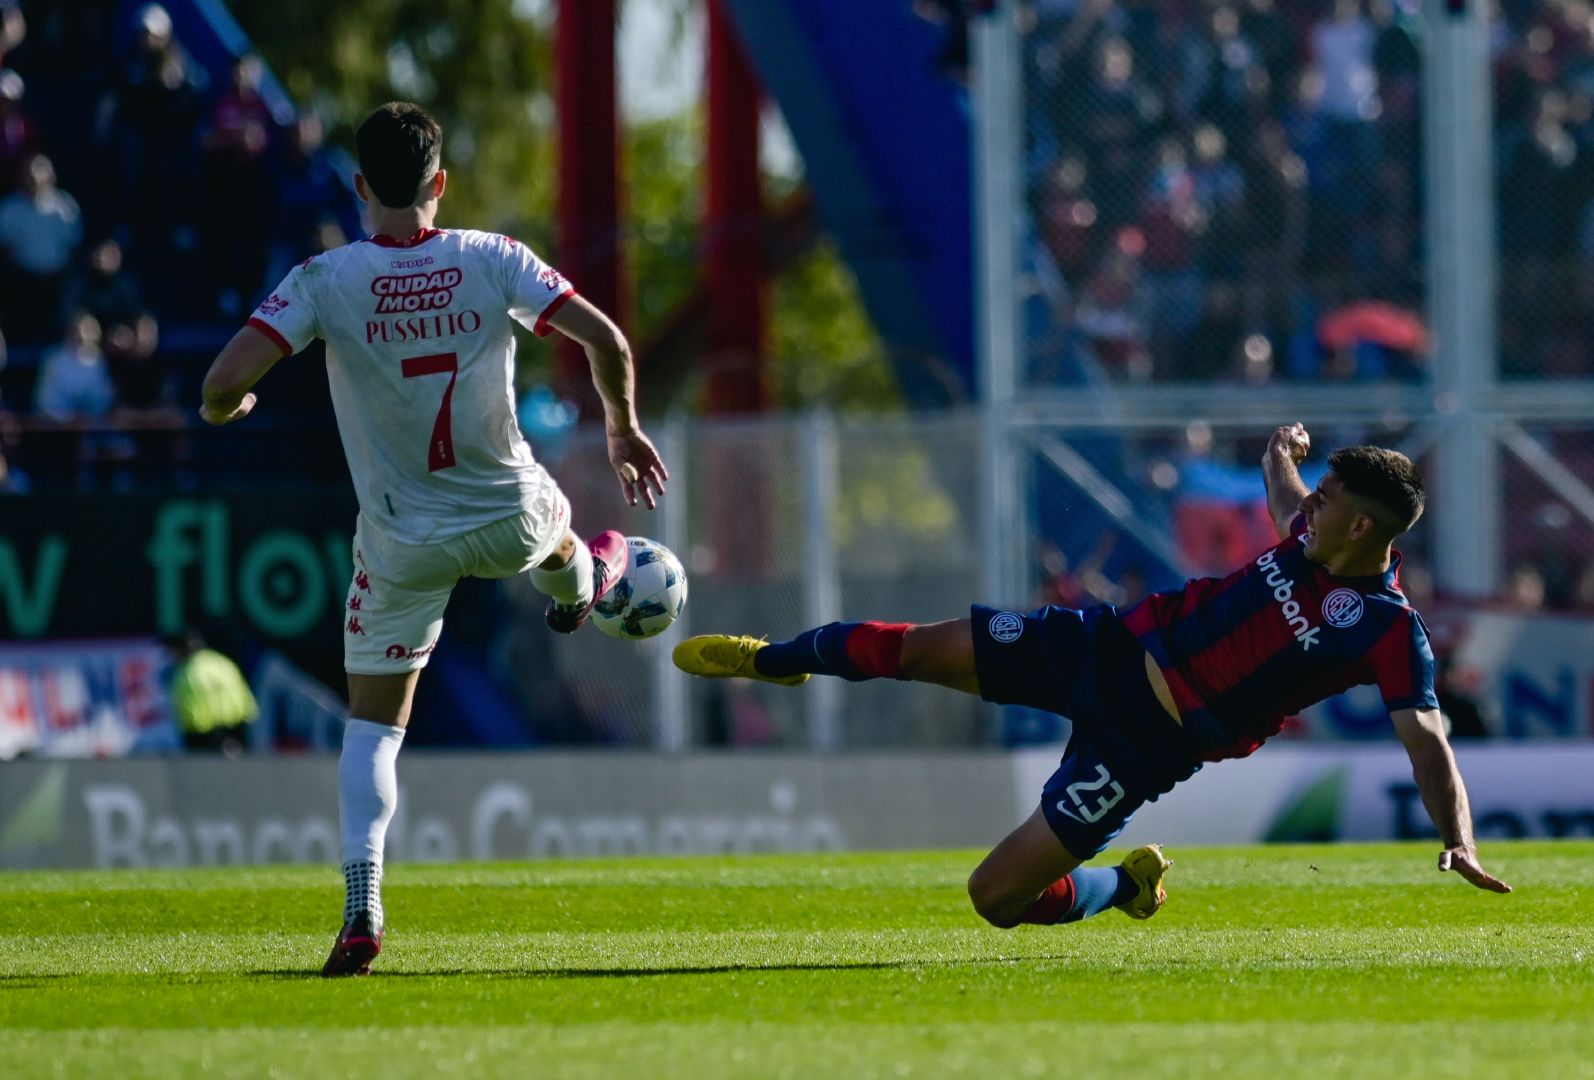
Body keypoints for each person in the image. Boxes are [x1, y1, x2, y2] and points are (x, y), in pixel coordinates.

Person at [677, 423, 1510, 929]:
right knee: (925, 649)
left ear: (1362, 525)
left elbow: (1428, 739)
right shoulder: (1311, 530)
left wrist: (1458, 838)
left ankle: (1121, 886)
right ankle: (777, 661)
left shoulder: (1389, 629)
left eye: (1326, 499)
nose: (1309, 505)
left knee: (996, 897)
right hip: (1103, 645)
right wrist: (1276, 454)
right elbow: (1283, 493)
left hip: (1145, 744)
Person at [199, 102, 669, 977]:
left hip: (402, 542)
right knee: (559, 538)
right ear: (440, 184)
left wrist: (236, 406)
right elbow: (604, 338)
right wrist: (621, 428)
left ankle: (363, 900)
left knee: (372, 730)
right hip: (509, 516)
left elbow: (220, 383)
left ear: (361, 187)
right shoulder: (492, 259)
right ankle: (581, 590)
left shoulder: (322, 279)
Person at [164, 630, 258, 755]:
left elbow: (188, 710)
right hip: (237, 731)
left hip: (204, 737)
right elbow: (244, 697)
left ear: (182, 649)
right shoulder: (222, 662)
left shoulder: (187, 672)